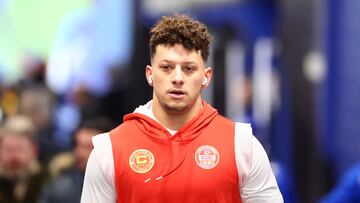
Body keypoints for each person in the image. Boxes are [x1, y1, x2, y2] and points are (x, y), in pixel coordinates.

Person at [81, 14, 283, 203]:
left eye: (189, 68)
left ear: (206, 76)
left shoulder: (242, 145)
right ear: (150, 74)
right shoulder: (108, 151)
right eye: (167, 67)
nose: (177, 78)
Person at [37, 117, 113, 203]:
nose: (79, 153)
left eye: (88, 147)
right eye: (78, 145)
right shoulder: (59, 189)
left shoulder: (117, 184)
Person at [0, 115, 49, 203]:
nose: (14, 157)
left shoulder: (46, 181)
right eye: (8, 150)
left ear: (34, 150)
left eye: (19, 149)